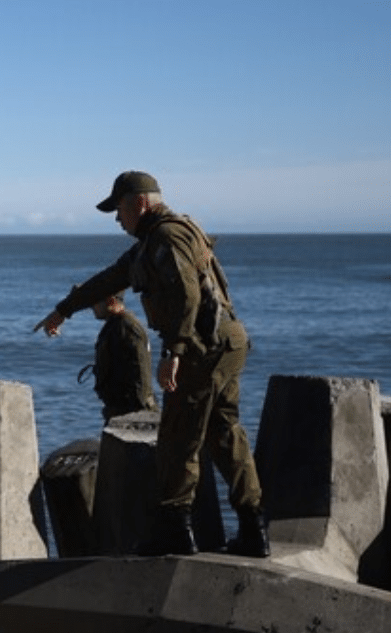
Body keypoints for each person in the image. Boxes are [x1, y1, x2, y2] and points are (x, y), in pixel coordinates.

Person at [34, 171, 268, 558]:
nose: (116, 219)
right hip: (224, 341)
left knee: (178, 438)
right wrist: (64, 309)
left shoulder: (166, 237)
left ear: (140, 204)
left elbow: (186, 295)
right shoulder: (156, 239)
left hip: (201, 347)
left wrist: (173, 352)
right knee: (225, 433)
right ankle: (253, 530)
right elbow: (109, 278)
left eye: (119, 209)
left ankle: (177, 532)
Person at [88, 290, 158, 422]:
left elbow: (141, 376)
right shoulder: (114, 325)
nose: (91, 307)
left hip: (130, 412)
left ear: (110, 301)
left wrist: (139, 416)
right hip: (119, 409)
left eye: (94, 303)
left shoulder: (127, 328)